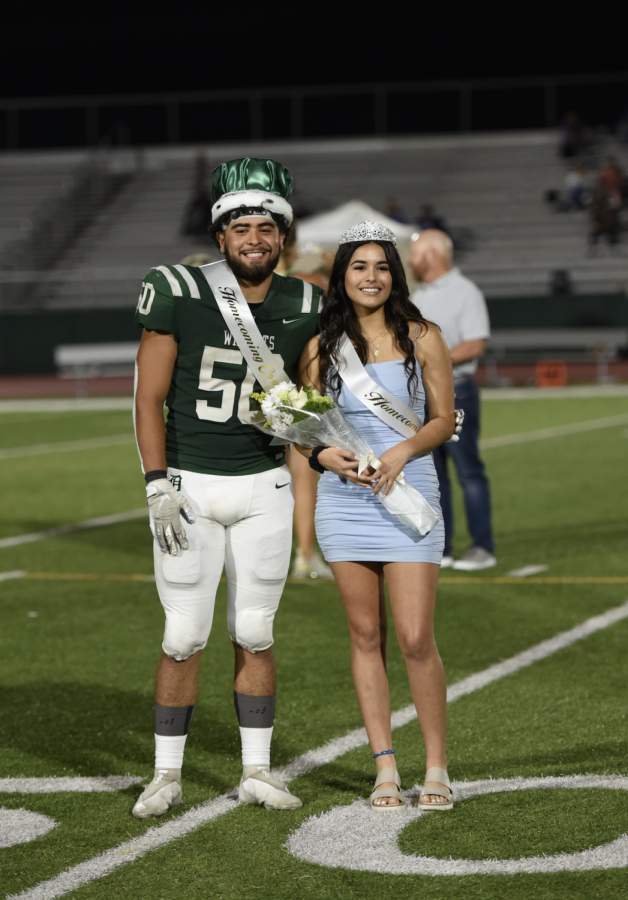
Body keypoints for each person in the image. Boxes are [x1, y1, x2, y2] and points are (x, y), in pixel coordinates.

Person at [132, 157, 324, 818]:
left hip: (265, 485)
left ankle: (258, 770)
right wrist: (156, 483)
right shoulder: (179, 289)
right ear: (220, 236)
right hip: (189, 484)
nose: (254, 237)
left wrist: (305, 422)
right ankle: (165, 775)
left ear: (283, 236)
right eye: (241, 225)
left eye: (267, 227)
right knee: (184, 634)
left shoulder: (305, 302)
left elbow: (311, 407)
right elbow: (147, 397)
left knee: (256, 629)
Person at [297, 220, 456, 811]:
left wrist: (402, 449)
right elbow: (303, 430)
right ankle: (385, 767)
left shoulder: (424, 336)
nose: (372, 277)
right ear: (342, 276)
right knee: (366, 636)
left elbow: (443, 418)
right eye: (359, 267)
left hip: (409, 495)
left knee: (416, 637)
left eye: (382, 266)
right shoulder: (321, 346)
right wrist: (323, 457)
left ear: (396, 273)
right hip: (346, 502)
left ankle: (436, 765)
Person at [408, 229, 495, 571]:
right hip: (423, 394)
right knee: (433, 474)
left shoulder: (465, 291)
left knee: (468, 472)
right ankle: (441, 548)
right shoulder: (421, 293)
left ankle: (482, 547)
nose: (410, 261)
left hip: (457, 391)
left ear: (431, 255)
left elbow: (475, 345)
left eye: (414, 254)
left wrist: (433, 361)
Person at [275, 229, 333, 579]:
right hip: (298, 389)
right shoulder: (304, 283)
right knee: (305, 477)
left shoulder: (247, 285)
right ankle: (306, 555)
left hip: (258, 392)